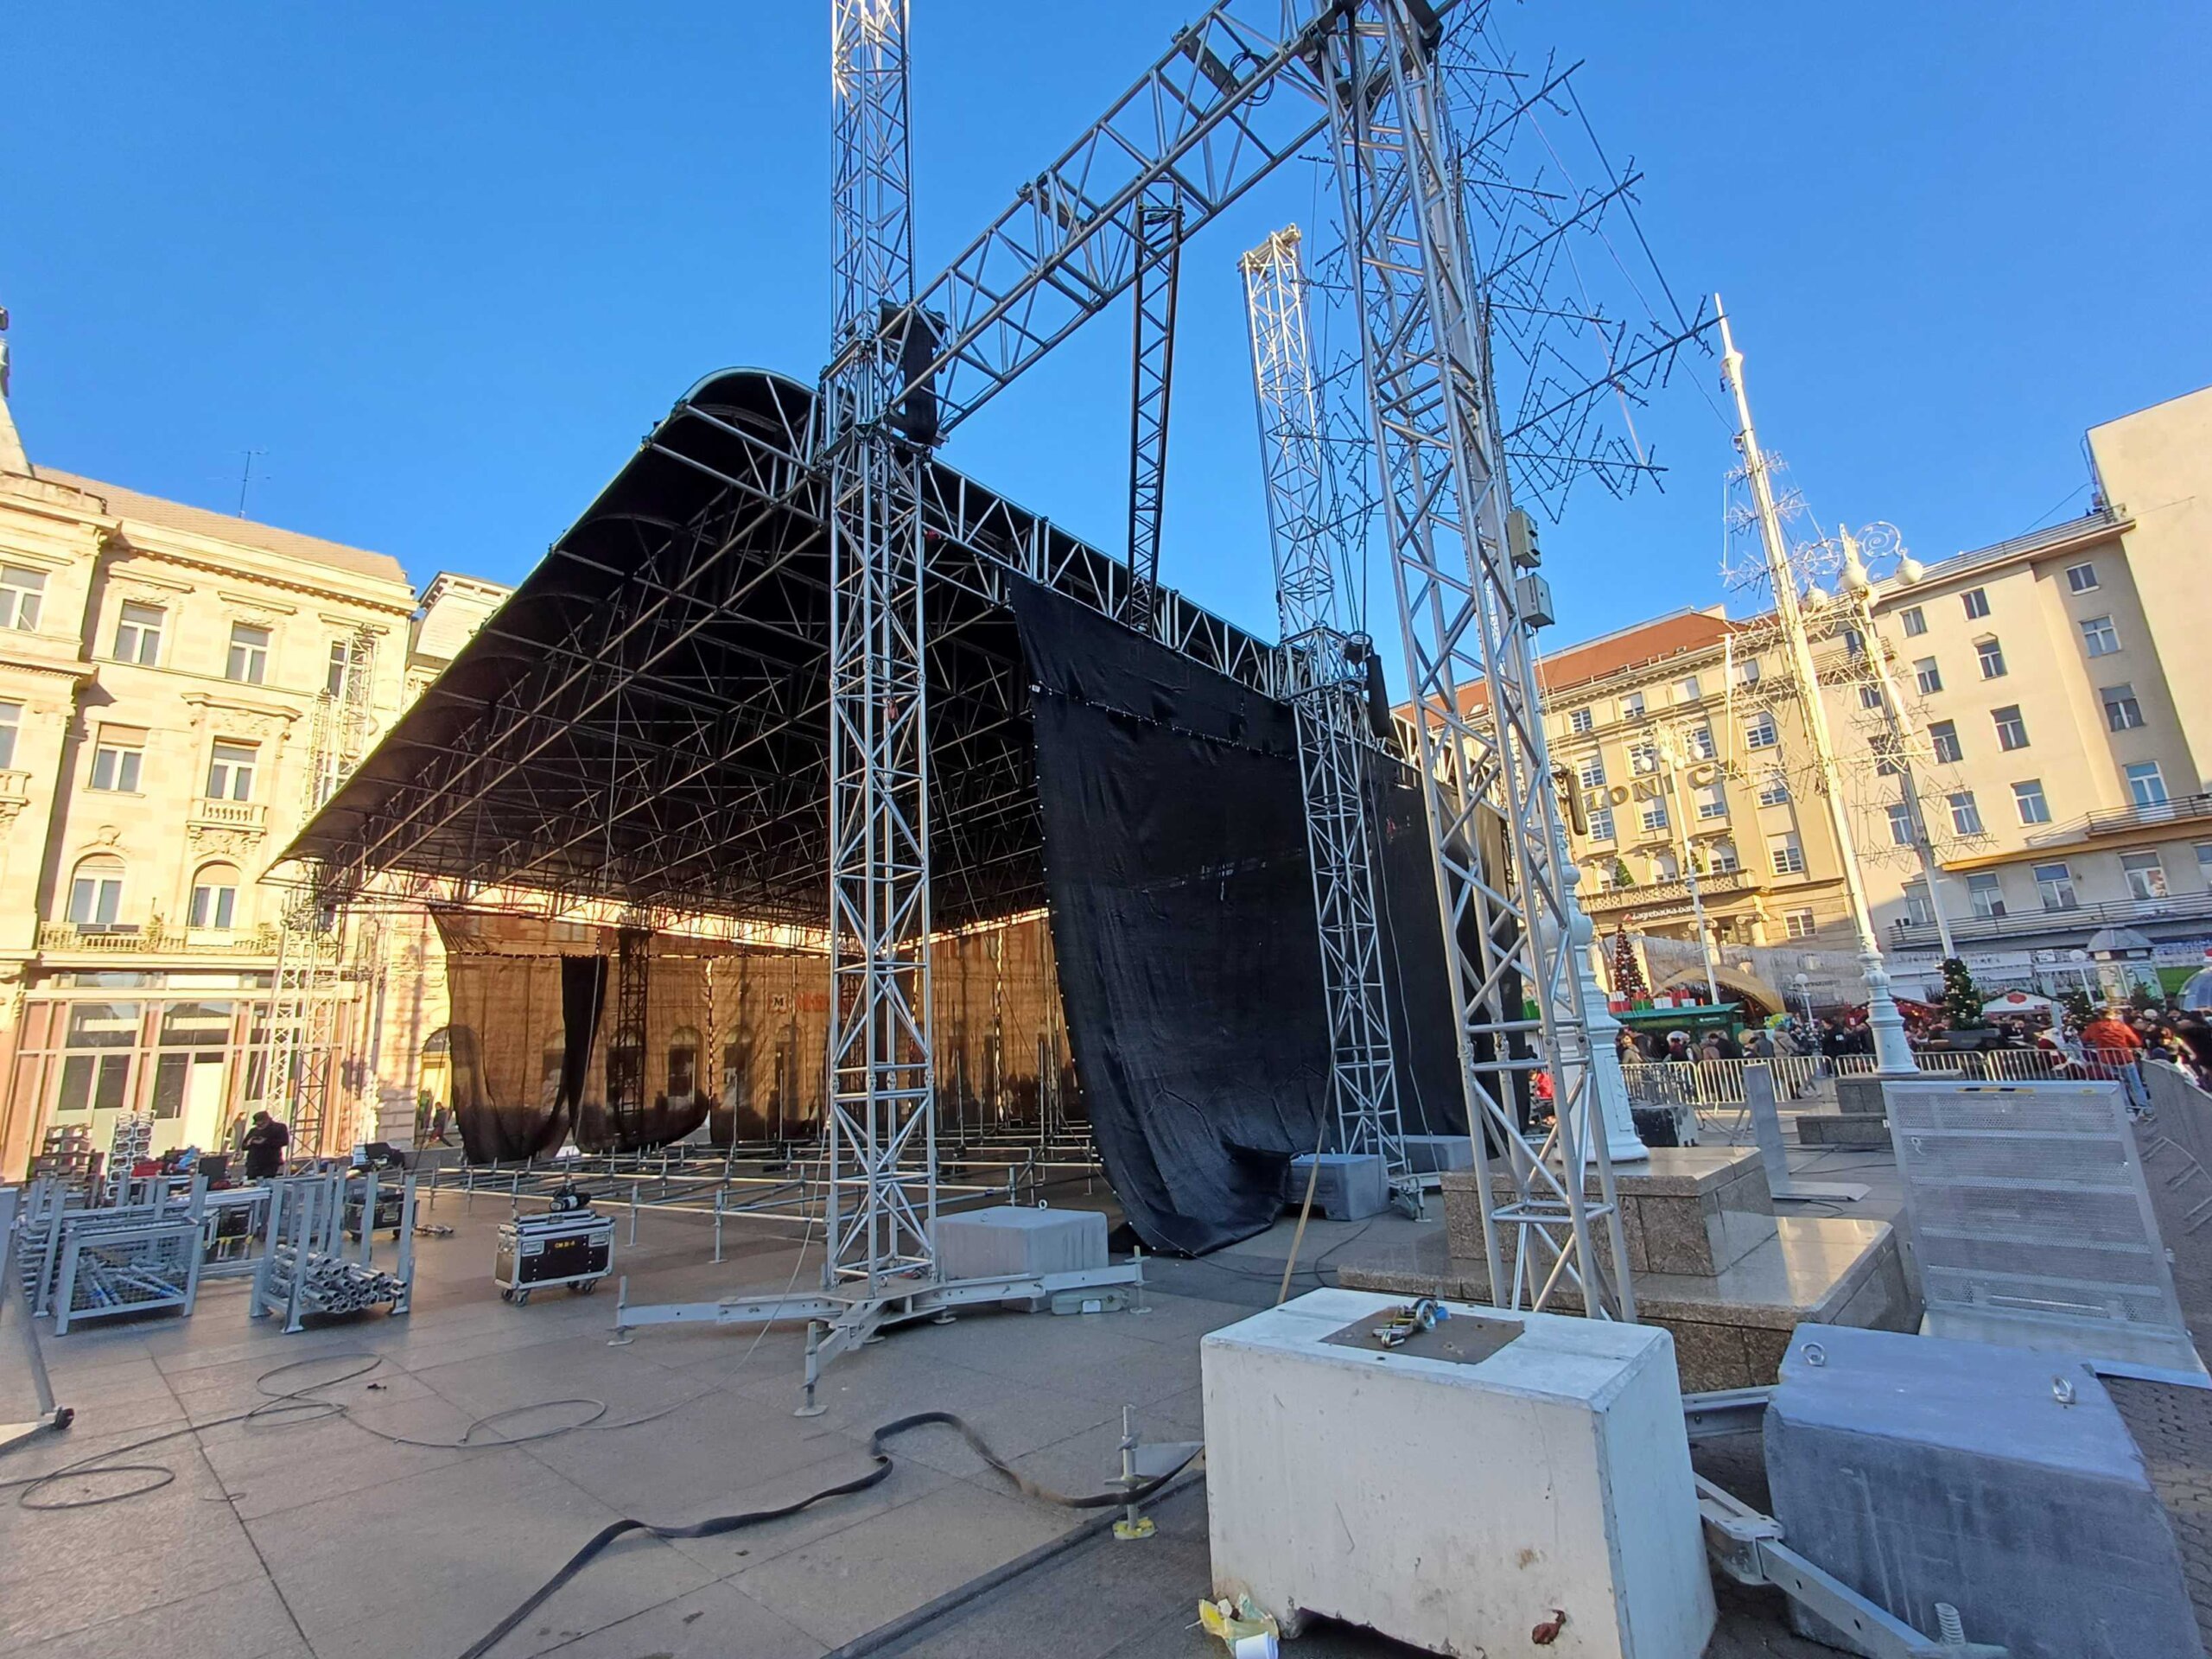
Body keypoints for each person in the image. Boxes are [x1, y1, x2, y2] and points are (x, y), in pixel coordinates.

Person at [241, 1110, 291, 1179]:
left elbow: (284, 1141)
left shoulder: (279, 1127)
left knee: (267, 1180)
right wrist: (250, 1142)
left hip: (270, 1162)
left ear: (267, 1121)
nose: (259, 1127)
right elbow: (244, 1146)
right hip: (253, 1162)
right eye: (257, 1125)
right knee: (251, 1181)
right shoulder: (253, 1131)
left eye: (261, 1124)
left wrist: (265, 1142)